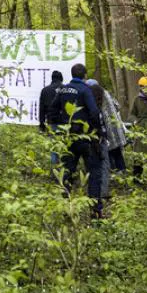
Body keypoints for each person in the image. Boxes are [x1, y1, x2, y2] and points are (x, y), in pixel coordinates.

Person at [48, 63, 105, 213]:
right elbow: (94, 112)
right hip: (85, 138)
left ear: (72, 75)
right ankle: (95, 211)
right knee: (94, 173)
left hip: (68, 137)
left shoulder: (62, 90)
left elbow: (52, 110)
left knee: (67, 172)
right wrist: (97, 133)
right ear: (85, 75)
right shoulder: (85, 90)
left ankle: (66, 209)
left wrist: (61, 126)